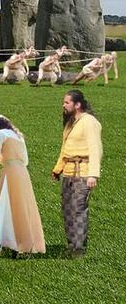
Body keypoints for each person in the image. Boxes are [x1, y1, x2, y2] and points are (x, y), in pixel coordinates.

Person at [0, 115, 45, 254]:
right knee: (22, 206)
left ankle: (5, 240)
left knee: (5, 203)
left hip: (10, 171)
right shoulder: (19, 137)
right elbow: (26, 160)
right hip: (23, 173)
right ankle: (23, 240)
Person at [52, 90, 102, 257]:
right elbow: (65, 149)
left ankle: (78, 249)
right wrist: (58, 169)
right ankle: (71, 245)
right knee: (67, 210)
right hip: (68, 173)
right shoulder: (70, 123)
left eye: (66, 102)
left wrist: (93, 175)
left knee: (78, 209)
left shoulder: (89, 122)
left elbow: (95, 149)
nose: (63, 105)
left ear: (77, 104)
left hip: (83, 173)